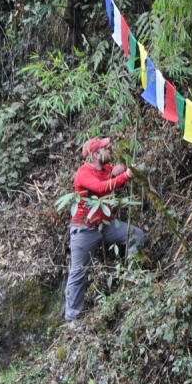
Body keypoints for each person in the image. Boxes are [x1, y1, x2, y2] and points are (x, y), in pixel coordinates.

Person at [64, 137, 144, 328]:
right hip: (84, 229)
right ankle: (72, 318)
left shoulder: (106, 170)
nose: (109, 150)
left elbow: (116, 172)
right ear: (94, 155)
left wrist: (123, 168)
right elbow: (100, 188)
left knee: (136, 235)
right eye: (105, 148)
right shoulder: (83, 173)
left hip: (106, 225)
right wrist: (125, 176)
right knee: (78, 272)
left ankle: (133, 277)